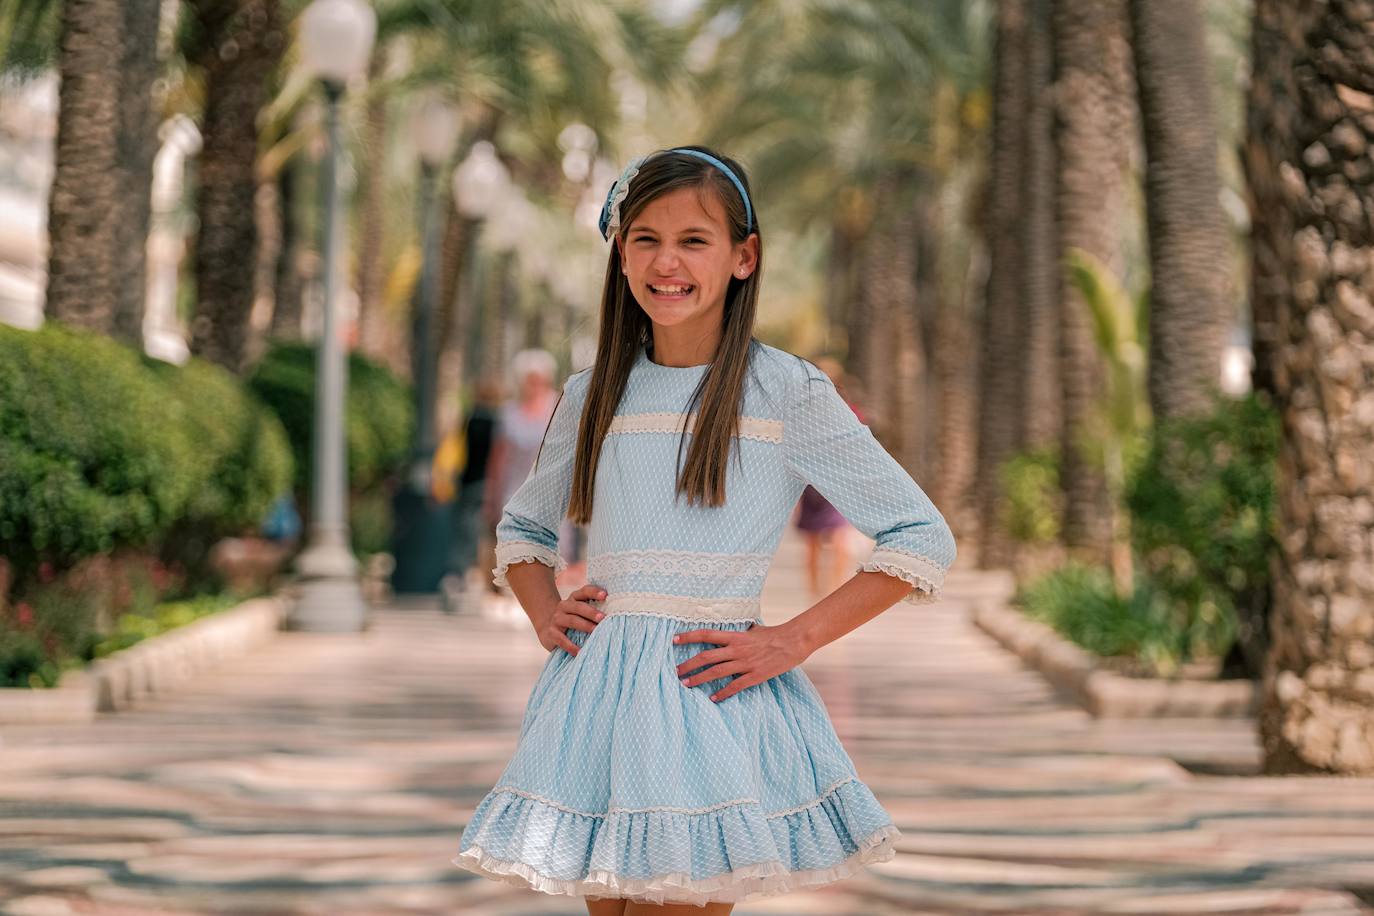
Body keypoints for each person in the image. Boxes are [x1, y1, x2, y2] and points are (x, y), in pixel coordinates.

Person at [451, 146, 957, 913]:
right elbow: (524, 527)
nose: (667, 261)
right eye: (646, 237)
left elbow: (921, 534)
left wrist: (794, 640)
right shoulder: (593, 393)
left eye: (694, 240)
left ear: (743, 256)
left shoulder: (785, 391)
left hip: (704, 699)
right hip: (597, 702)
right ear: (620, 253)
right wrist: (544, 608)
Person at [791, 355, 866, 602]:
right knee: (816, 542)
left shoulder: (846, 409)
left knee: (838, 540)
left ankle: (830, 592)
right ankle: (817, 594)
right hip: (816, 483)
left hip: (837, 482)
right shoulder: (802, 408)